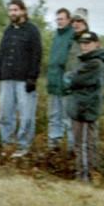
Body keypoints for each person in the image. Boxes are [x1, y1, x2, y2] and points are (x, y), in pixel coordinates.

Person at [0, 0, 42, 157]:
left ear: (23, 11)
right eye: (10, 10)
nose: (13, 13)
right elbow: (1, 53)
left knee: (26, 115)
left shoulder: (32, 31)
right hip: (7, 78)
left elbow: (37, 55)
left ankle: (23, 146)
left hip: (24, 80)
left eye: (16, 10)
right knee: (5, 114)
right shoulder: (8, 31)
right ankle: (7, 145)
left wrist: (32, 78)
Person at [64, 31, 104, 182]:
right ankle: (84, 175)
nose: (84, 46)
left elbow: (74, 80)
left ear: (97, 44)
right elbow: (72, 79)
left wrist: (70, 79)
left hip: (85, 109)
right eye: (82, 43)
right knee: (84, 143)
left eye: (88, 43)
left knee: (84, 144)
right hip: (81, 107)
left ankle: (84, 177)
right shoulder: (86, 61)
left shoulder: (95, 63)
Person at [45, 8, 75, 150]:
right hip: (53, 82)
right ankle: (53, 147)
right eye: (57, 19)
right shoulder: (56, 36)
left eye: (62, 19)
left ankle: (71, 148)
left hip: (66, 85)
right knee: (53, 116)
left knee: (67, 118)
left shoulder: (72, 36)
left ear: (69, 20)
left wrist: (68, 81)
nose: (59, 21)